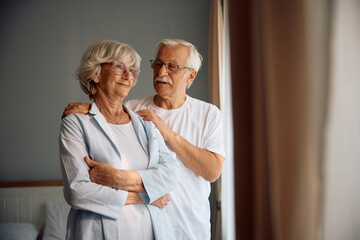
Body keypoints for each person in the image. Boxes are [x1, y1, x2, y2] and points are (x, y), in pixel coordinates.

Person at [63, 39, 226, 240]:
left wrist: (117, 177)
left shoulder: (207, 113)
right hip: (146, 220)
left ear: (191, 75)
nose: (161, 72)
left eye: (172, 66)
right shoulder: (134, 108)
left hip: (188, 227)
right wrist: (88, 108)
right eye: (158, 64)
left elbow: (210, 171)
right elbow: (108, 108)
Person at [59, 39, 179, 240]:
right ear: (96, 73)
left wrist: (115, 178)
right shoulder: (76, 123)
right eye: (119, 66)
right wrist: (146, 196)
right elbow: (77, 191)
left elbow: (171, 174)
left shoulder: (145, 124)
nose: (128, 75)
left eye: (132, 70)